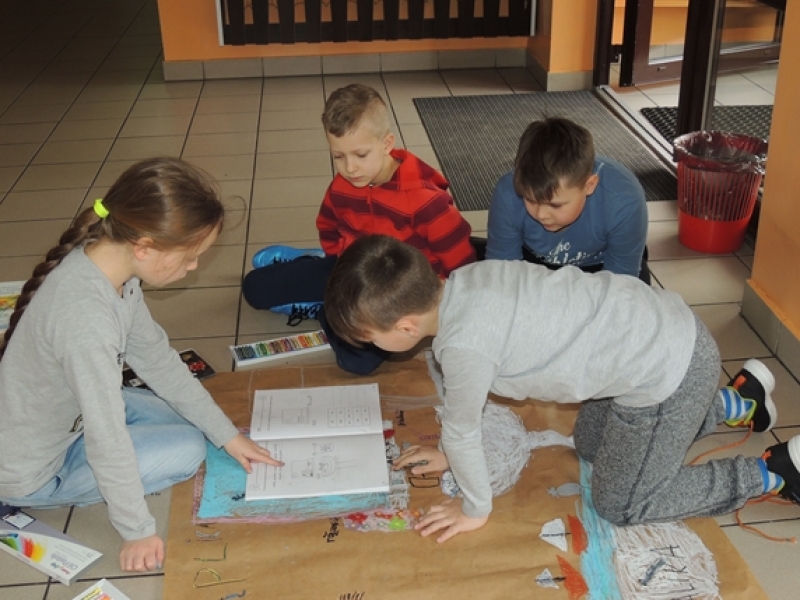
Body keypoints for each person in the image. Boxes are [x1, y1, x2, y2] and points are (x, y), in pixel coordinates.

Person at [324, 234, 800, 543]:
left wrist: (474, 507)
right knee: (589, 444)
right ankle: (736, 401)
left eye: (370, 338)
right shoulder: (467, 279)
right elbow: (463, 424)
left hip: (668, 369)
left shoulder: (464, 348)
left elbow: (462, 428)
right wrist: (450, 455)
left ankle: (772, 473)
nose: (370, 347)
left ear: (406, 328)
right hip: (663, 329)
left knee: (621, 503)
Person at [0, 158, 281, 572]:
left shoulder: (115, 271)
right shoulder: (86, 320)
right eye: (190, 257)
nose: (194, 267)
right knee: (188, 448)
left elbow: (160, 362)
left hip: (62, 416)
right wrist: (137, 530)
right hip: (34, 467)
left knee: (189, 421)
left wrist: (226, 435)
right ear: (144, 247)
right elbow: (106, 436)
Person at [242, 83, 475, 375]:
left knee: (356, 362)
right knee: (254, 289)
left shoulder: (428, 202)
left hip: (393, 294)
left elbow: (463, 270)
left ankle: (325, 308)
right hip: (352, 269)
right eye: (338, 156)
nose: (350, 168)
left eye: (361, 155)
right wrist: (337, 257)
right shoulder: (343, 185)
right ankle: (312, 267)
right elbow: (328, 225)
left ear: (387, 143)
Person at [475, 117, 650, 284]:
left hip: (598, 267)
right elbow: (504, 272)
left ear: (589, 186)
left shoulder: (623, 199)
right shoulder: (508, 191)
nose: (541, 214)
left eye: (555, 205)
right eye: (530, 199)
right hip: (531, 261)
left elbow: (621, 280)